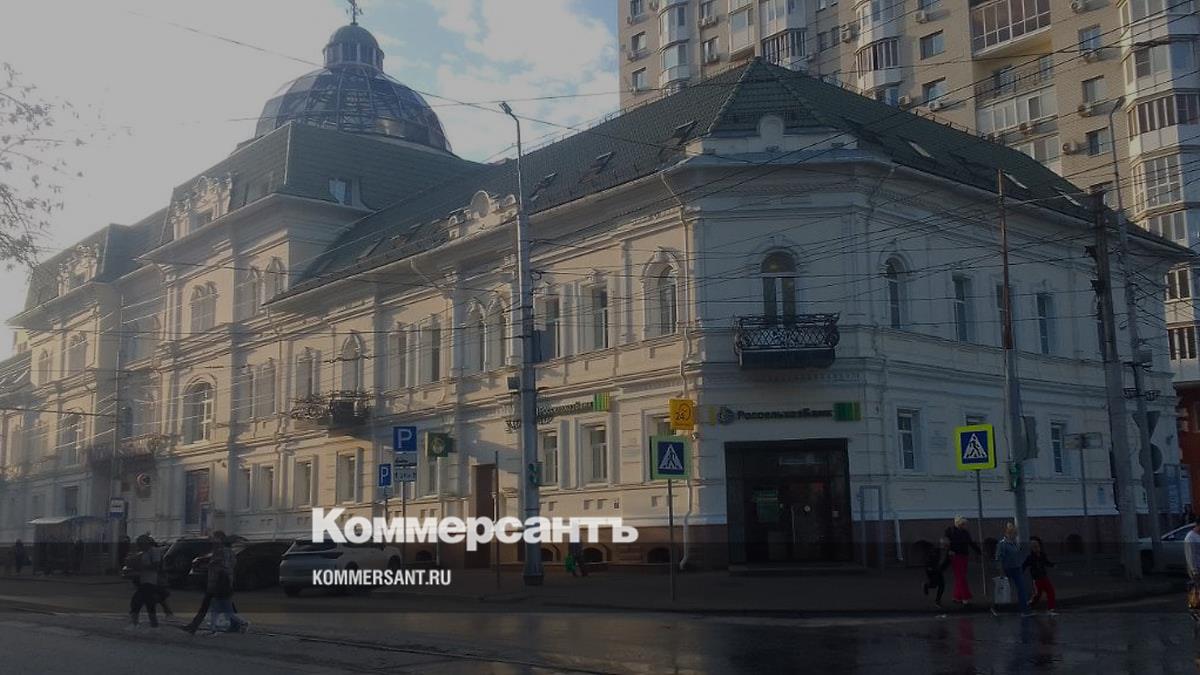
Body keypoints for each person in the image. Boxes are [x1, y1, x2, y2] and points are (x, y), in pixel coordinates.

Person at [207, 531, 248, 634]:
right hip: (224, 582)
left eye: (215, 538)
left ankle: (241, 623)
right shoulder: (227, 551)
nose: (212, 540)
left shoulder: (223, 551)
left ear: (220, 539)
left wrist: (214, 564)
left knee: (222, 608)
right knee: (219, 607)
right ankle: (214, 627)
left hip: (221, 583)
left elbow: (224, 567)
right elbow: (231, 565)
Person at [994, 522, 1032, 617]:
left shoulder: (1015, 543)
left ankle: (1024, 610)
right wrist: (1001, 571)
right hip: (1007, 569)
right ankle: (997, 607)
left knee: (1021, 589)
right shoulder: (1002, 544)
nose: (1015, 536)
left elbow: (1017, 554)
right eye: (1014, 534)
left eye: (1015, 534)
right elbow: (999, 558)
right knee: (1003, 589)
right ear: (1008, 534)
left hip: (1017, 568)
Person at [945, 516, 982, 605]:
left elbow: (971, 543)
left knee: (960, 576)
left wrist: (979, 551)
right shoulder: (951, 531)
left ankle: (957, 596)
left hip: (964, 556)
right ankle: (965, 597)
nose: (965, 525)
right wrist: (949, 551)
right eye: (963, 524)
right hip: (956, 556)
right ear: (959, 524)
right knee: (961, 577)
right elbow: (945, 542)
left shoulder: (964, 532)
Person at [127, 535, 159, 628]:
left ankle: (135, 624)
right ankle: (153, 624)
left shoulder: (154, 551)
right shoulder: (144, 553)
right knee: (149, 604)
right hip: (144, 581)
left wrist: (142, 567)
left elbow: (156, 566)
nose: (139, 546)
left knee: (136, 602)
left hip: (150, 582)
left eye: (140, 544)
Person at [1023, 536, 1057, 615]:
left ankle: (1051, 609)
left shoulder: (1042, 555)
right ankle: (1028, 606)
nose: (1037, 548)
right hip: (1036, 579)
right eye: (1034, 547)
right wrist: (1020, 572)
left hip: (1043, 577)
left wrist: (1052, 565)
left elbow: (1046, 562)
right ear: (1032, 548)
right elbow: (1024, 565)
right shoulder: (1030, 557)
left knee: (1050, 591)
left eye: (1037, 546)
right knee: (1038, 595)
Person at [922, 537, 952, 609]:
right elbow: (929, 560)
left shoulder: (948, 552)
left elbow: (947, 562)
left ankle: (937, 601)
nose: (946, 546)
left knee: (941, 585)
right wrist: (930, 568)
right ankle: (927, 586)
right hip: (932, 570)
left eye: (947, 544)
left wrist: (950, 557)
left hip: (938, 570)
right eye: (945, 544)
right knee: (935, 585)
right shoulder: (935, 550)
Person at [1184, 518, 1200, 622]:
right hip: (1197, 571)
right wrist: (1194, 572)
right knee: (1195, 594)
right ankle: (1195, 615)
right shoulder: (1191, 538)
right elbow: (1190, 557)